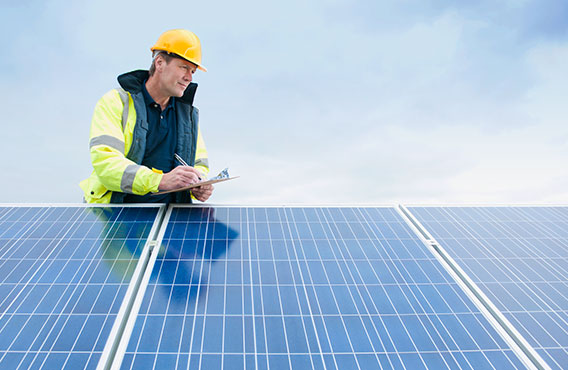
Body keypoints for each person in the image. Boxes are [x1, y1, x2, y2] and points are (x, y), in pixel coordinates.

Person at [80, 29, 213, 203]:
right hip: (118, 216)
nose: (189, 77)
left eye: (193, 72)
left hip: (170, 219)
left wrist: (199, 183)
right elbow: (106, 163)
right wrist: (160, 181)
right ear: (159, 63)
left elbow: (199, 164)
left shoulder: (186, 115)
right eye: (184, 67)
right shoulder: (116, 102)